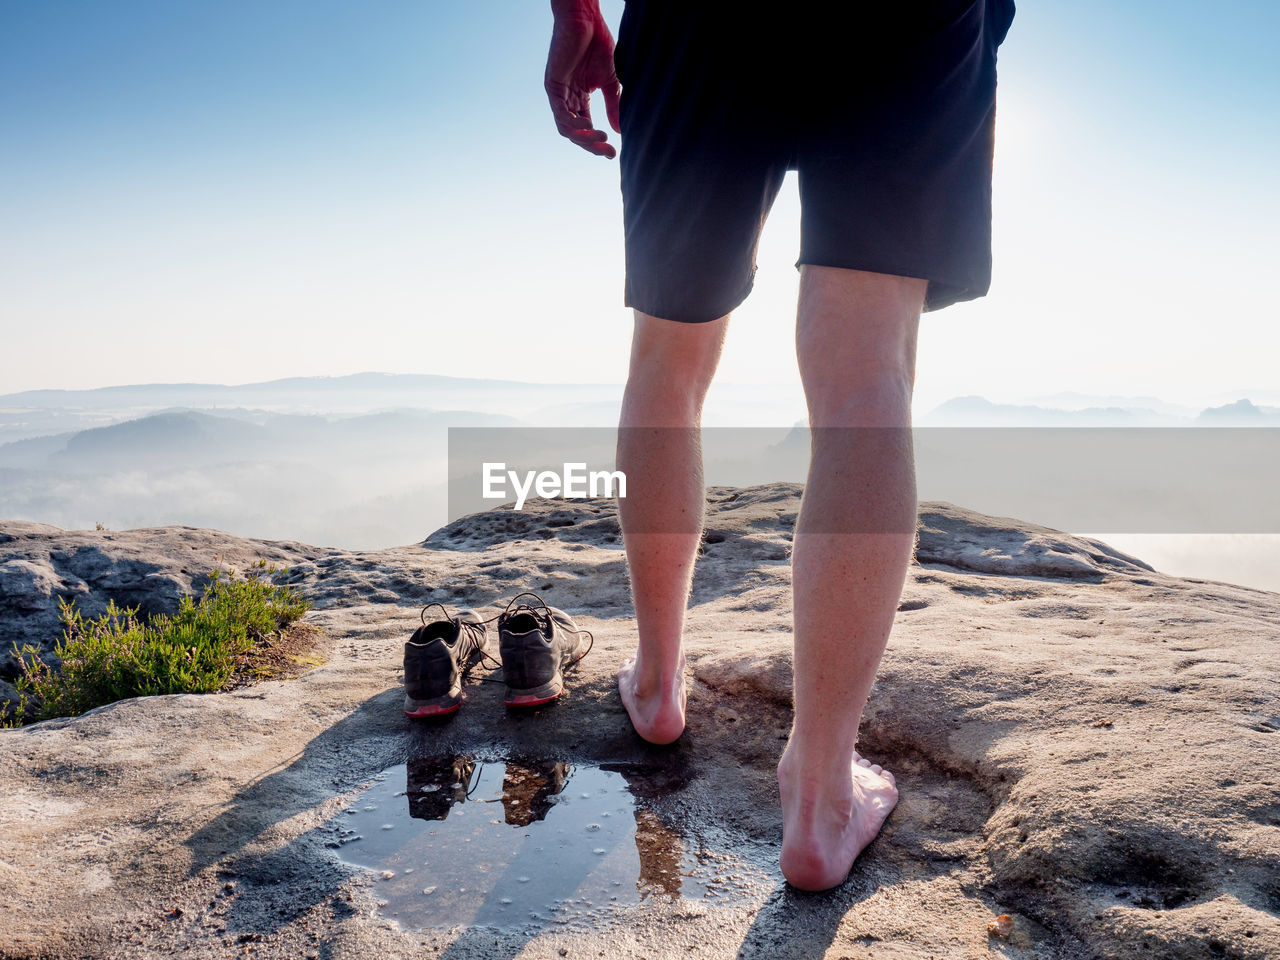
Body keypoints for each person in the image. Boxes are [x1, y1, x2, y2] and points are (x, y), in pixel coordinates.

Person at [544, 0, 1015, 891]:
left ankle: (655, 684)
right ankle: (820, 797)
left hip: (698, 25)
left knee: (667, 358)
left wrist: (573, 15)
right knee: (865, 372)